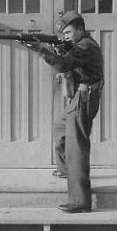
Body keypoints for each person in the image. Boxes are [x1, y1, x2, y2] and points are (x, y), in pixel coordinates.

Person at [19, 11, 104, 213]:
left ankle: (80, 201)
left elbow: (63, 65)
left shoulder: (85, 46)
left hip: (84, 97)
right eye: (63, 33)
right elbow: (68, 58)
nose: (65, 36)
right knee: (60, 128)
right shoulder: (80, 44)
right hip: (80, 97)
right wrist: (58, 48)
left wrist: (41, 49)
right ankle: (66, 170)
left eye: (68, 32)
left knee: (76, 147)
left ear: (81, 29)